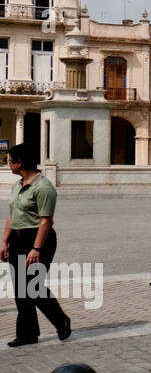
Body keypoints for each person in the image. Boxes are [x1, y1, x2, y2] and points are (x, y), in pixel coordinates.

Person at [2, 142, 72, 347]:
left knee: (32, 286)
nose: (8, 164)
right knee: (21, 290)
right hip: (17, 239)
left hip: (38, 240)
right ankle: (27, 334)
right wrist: (4, 241)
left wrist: (36, 249)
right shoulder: (18, 185)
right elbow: (12, 215)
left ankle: (61, 321)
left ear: (19, 162)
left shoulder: (43, 187)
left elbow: (45, 220)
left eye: (10, 161)